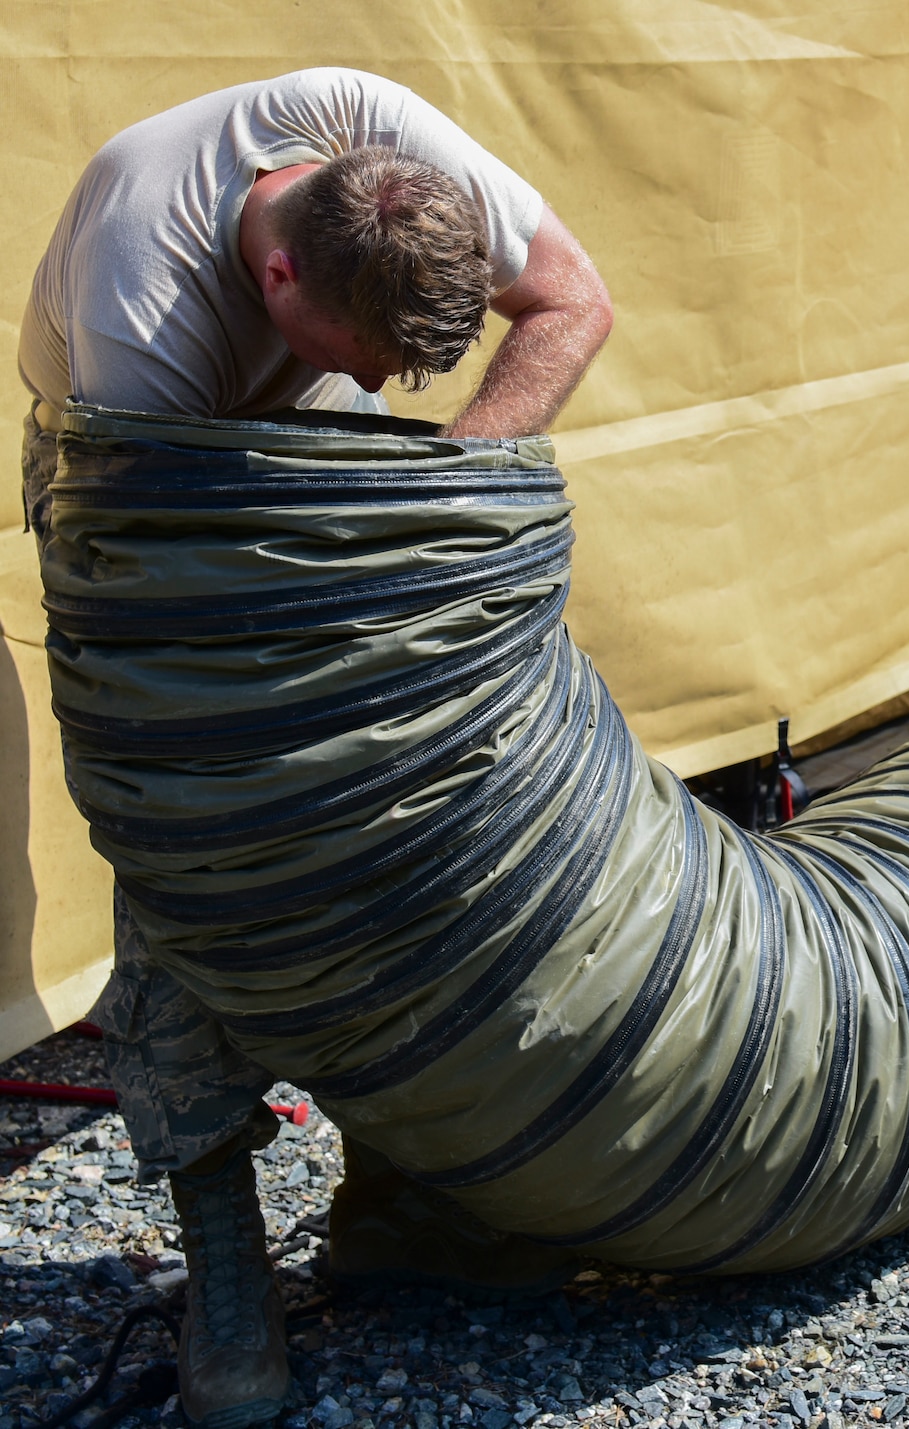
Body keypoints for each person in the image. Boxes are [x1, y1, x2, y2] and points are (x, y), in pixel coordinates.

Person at [18, 68, 614, 1429]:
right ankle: (225, 1241)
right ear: (277, 270)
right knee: (201, 845)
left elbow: (572, 302)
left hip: (294, 445)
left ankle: (404, 1185)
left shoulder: (380, 138)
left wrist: (440, 508)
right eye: (359, 349)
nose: (374, 383)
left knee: (414, 805)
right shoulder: (144, 309)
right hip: (142, 494)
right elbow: (205, 676)